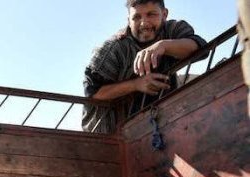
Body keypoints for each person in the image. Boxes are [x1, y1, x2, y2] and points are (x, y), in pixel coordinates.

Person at [82, 0, 207, 133]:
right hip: (109, 135)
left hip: (161, 123)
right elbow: (93, 92)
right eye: (136, 17)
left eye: (151, 14)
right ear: (128, 20)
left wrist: (163, 46)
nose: (144, 23)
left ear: (164, 14)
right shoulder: (113, 49)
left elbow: (200, 48)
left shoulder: (172, 30)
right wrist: (136, 85)